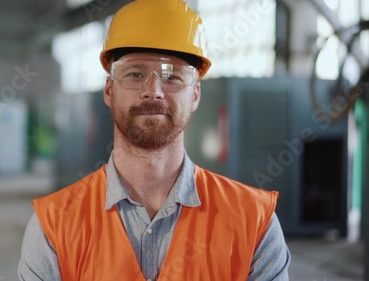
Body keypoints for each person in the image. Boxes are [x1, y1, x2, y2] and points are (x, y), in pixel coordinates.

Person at [18, 0, 291, 280]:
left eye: (171, 76)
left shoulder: (254, 221)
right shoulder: (53, 224)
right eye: (135, 74)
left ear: (195, 94)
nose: (153, 91)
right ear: (109, 91)